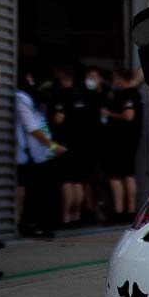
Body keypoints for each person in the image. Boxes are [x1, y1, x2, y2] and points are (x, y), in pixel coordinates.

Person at [49, 64, 101, 225]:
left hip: (65, 145)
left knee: (67, 182)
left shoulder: (60, 95)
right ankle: (77, 215)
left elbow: (58, 119)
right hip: (83, 146)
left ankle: (66, 217)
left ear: (61, 77)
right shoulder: (82, 95)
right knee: (78, 182)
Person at [13, 68, 61, 238]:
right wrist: (52, 145)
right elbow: (31, 127)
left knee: (41, 190)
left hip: (41, 152)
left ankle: (39, 224)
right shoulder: (22, 98)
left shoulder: (37, 100)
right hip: (28, 153)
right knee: (34, 190)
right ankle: (29, 224)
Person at [100, 66, 145, 221]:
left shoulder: (128, 94)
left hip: (121, 142)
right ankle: (130, 211)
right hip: (128, 141)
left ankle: (119, 211)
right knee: (127, 174)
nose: (113, 82)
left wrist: (109, 114)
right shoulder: (132, 93)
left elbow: (128, 115)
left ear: (119, 79)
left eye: (114, 78)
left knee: (115, 176)